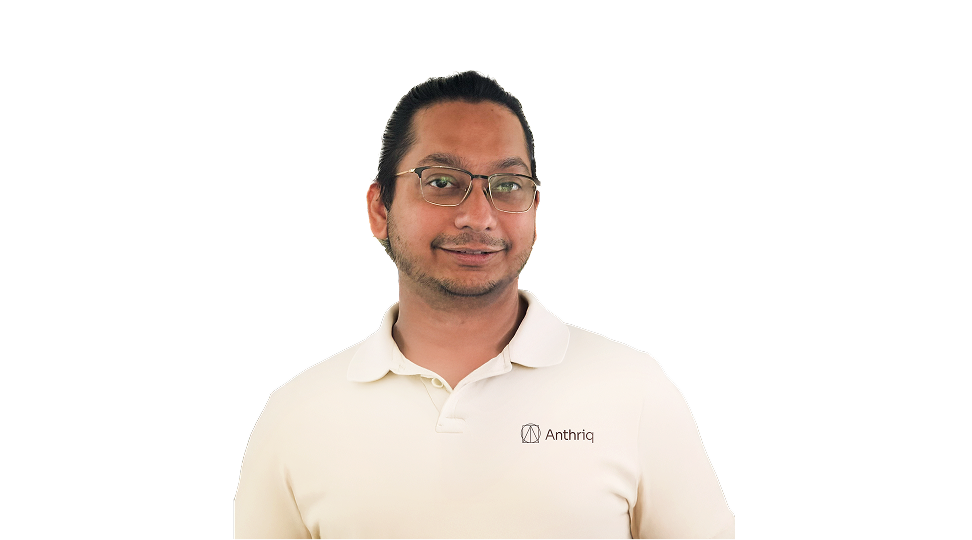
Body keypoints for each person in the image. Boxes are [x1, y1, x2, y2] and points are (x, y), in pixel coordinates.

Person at [235, 70, 734, 539]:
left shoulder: (637, 389)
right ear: (380, 208)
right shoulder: (294, 414)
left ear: (534, 210)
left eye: (507, 185)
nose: (478, 216)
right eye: (441, 182)